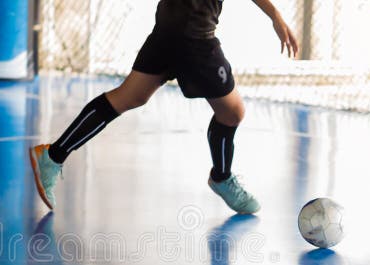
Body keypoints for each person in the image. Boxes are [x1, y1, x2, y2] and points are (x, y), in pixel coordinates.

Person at [30, 0, 298, 214]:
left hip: (168, 29)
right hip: (193, 36)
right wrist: (275, 15)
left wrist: (275, 15)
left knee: (130, 96)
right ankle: (221, 177)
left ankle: (53, 155)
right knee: (232, 113)